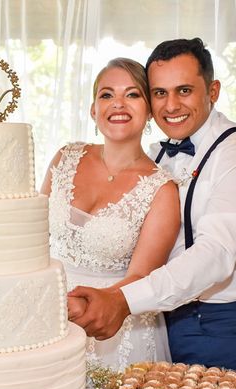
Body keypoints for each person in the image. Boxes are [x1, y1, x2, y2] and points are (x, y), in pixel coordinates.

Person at [70, 38, 236, 374]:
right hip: (157, 320)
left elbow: (217, 253)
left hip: (220, 325)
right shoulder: (154, 156)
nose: (171, 105)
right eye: (160, 93)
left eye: (184, 91)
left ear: (213, 91)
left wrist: (123, 300)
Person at [40, 58, 181, 371]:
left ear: (149, 112)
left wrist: (82, 307)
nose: (118, 103)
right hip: (48, 317)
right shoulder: (65, 157)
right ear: (93, 109)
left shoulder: (162, 189)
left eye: (132, 95)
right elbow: (32, 235)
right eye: (107, 95)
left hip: (116, 331)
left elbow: (141, 277)